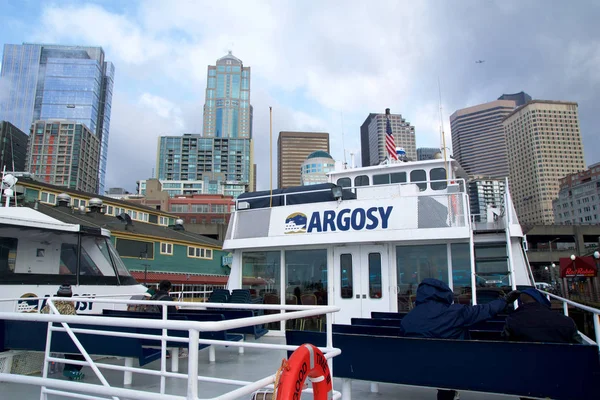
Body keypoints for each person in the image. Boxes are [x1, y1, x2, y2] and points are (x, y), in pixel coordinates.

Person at [400, 278, 520, 400]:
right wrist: (505, 301)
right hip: (452, 366)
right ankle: (448, 392)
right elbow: (485, 310)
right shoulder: (455, 312)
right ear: (445, 294)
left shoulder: (408, 318)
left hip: (418, 367)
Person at [503, 288, 583, 344]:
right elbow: (579, 347)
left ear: (521, 303)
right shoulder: (567, 321)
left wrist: (504, 301)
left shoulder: (512, 320)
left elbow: (507, 345)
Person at [41, 284, 85, 381]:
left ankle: (70, 368)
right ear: (70, 295)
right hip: (64, 338)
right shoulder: (69, 308)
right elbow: (75, 324)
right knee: (82, 349)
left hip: (48, 336)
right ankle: (70, 369)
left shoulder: (49, 305)